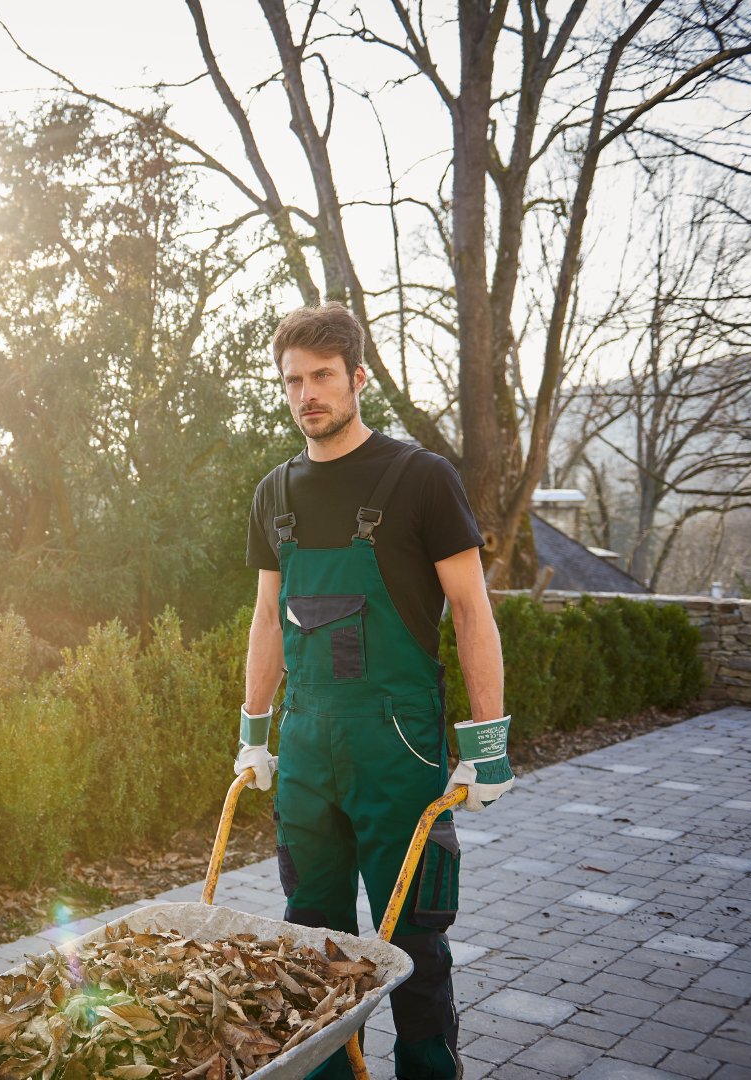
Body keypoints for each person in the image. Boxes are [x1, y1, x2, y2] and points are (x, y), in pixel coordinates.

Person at [234, 302, 514, 1080]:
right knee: (311, 943)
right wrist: (254, 735)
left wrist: (488, 745)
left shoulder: (420, 479)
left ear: (358, 378)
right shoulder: (274, 495)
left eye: (322, 376)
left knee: (412, 945)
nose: (306, 394)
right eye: (293, 380)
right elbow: (265, 618)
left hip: (398, 751)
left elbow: (471, 609)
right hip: (308, 754)